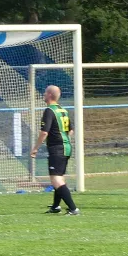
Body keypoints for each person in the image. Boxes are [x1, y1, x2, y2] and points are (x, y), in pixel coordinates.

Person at [30, 85, 80, 215]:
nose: (44, 95)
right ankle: (56, 206)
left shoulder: (49, 111)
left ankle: (73, 209)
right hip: (66, 147)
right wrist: (63, 139)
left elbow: (44, 133)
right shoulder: (62, 110)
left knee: (56, 179)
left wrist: (35, 148)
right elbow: (71, 130)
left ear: (50, 95)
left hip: (57, 149)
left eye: (45, 93)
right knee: (59, 177)